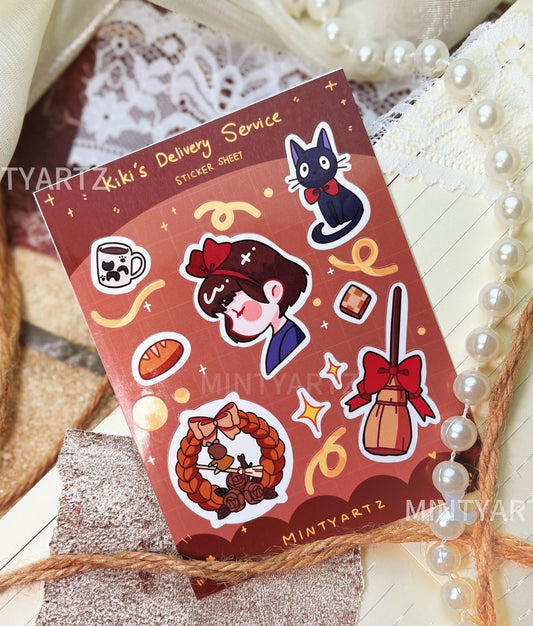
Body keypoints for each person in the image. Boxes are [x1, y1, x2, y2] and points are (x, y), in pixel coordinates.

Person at [183, 236, 310, 377]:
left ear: (274, 291)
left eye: (230, 301)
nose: (231, 313)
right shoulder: (279, 345)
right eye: (224, 311)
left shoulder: (290, 341)